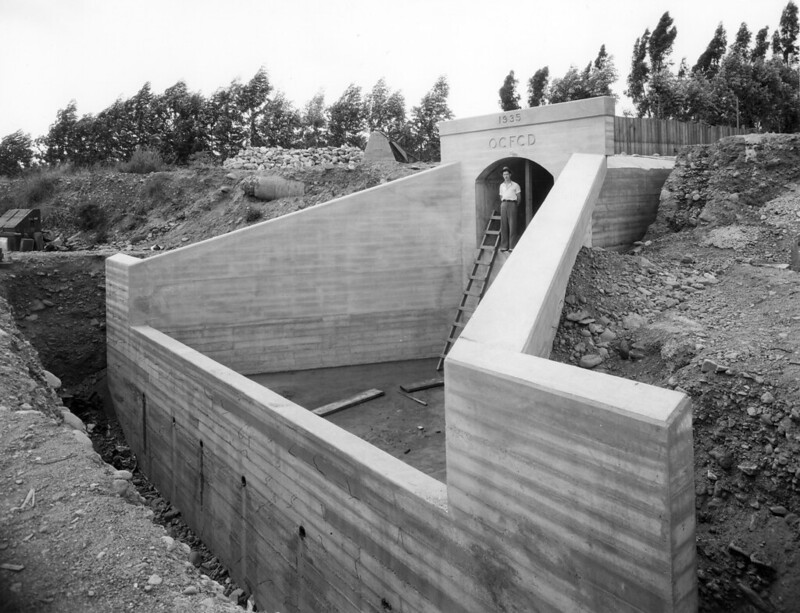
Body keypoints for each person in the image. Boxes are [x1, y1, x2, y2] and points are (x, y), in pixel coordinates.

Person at [498, 167, 521, 252]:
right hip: (503, 204)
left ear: (510, 175)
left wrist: (514, 205)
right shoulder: (501, 185)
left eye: (507, 174)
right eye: (504, 174)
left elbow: (519, 197)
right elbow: (501, 196)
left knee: (512, 225)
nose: (506, 176)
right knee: (503, 225)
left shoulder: (515, 185)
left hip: (512, 204)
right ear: (503, 176)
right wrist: (504, 202)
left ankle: (512, 246)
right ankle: (504, 246)